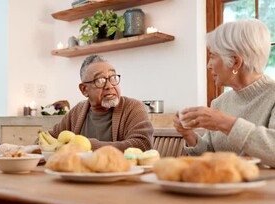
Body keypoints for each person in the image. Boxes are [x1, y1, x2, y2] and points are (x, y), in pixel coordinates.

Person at [173, 19, 275, 167]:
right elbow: (210, 155)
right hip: (224, 185)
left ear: (235, 62)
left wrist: (225, 123)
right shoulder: (220, 102)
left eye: (213, 56)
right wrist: (188, 135)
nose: (208, 65)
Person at [50, 55, 153, 151]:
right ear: (84, 89)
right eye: (100, 80)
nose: (109, 86)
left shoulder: (133, 107)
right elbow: (47, 139)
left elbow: (142, 144)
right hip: (80, 170)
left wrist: (89, 145)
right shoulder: (77, 112)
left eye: (113, 77)